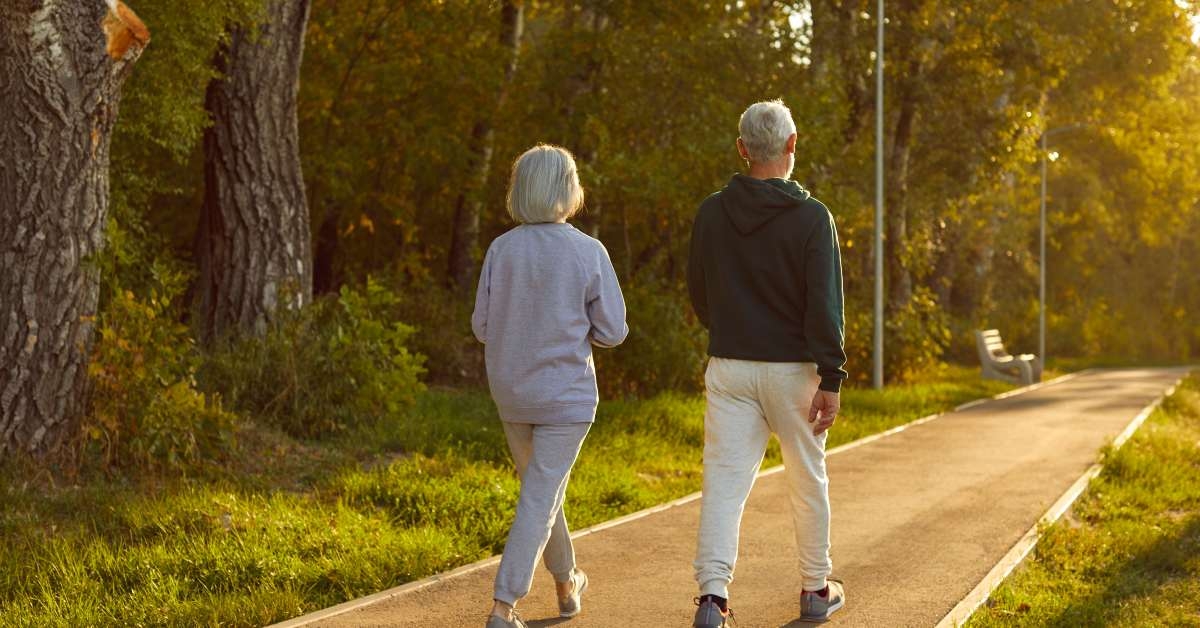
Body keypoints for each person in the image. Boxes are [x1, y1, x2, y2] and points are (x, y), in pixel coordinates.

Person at [687, 100, 848, 627]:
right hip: (793, 371)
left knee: (724, 482)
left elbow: (698, 291)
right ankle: (815, 589)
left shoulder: (712, 212)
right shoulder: (812, 217)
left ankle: (712, 599)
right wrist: (831, 376)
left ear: (741, 149)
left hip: (730, 367)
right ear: (792, 143)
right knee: (807, 479)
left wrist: (731, 329)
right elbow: (825, 305)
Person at [472, 144, 628, 628]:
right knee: (540, 495)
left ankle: (566, 584)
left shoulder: (501, 249)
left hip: (512, 395)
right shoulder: (587, 251)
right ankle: (504, 605)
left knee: (542, 491)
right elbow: (614, 330)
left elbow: (481, 325)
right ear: (568, 189)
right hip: (566, 399)